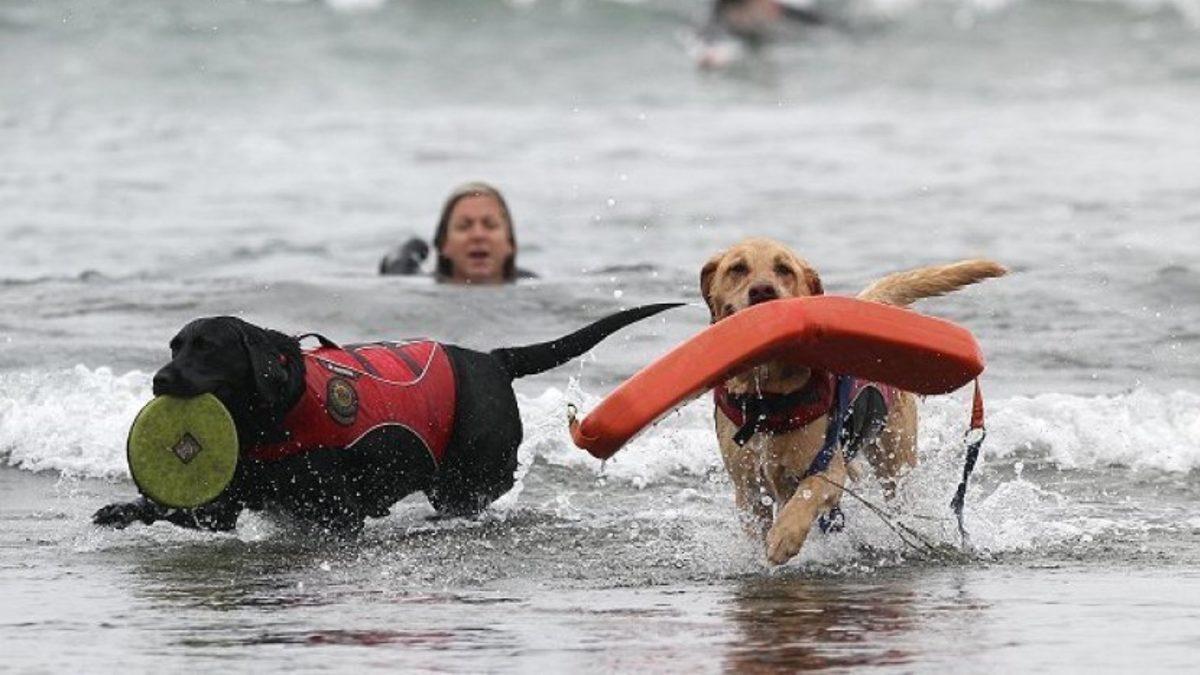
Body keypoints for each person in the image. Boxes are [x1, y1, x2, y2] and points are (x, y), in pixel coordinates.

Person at [380, 181, 536, 284]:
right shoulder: (409, 287)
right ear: (443, 245)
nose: (478, 235)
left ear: (510, 244)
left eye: (490, 225)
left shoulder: (534, 289)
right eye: (464, 226)